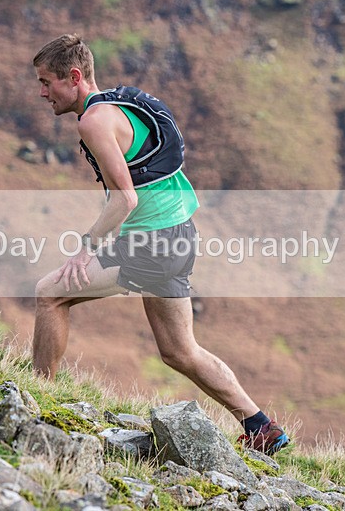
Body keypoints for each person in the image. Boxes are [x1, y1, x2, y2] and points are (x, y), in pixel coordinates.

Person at [31, 33, 290, 455]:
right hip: (178, 233)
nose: (42, 93)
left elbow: (125, 197)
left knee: (49, 294)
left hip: (154, 242)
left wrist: (85, 248)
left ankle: (36, 399)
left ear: (74, 77)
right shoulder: (117, 103)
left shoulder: (93, 121)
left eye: (47, 82)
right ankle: (262, 427)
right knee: (179, 351)